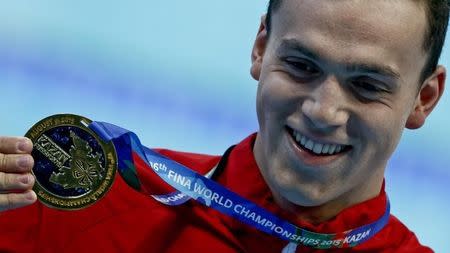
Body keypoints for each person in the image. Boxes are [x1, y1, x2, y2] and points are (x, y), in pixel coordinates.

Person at [0, 0, 447, 252]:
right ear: (260, 48)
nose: (323, 111)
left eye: (367, 86)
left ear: (423, 98)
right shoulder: (84, 204)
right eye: (300, 65)